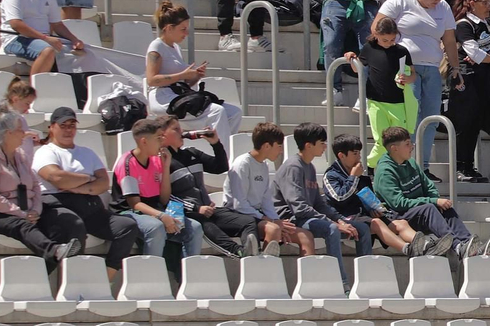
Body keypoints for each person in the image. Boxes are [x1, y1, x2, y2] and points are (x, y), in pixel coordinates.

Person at [33, 106, 138, 280]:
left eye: (72, 125)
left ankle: (106, 278)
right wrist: (88, 178)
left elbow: (103, 183)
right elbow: (56, 177)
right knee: (74, 225)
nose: (68, 130)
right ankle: (74, 281)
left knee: (127, 226)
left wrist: (77, 186)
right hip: (58, 207)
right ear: (51, 127)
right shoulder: (46, 152)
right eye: (63, 125)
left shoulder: (87, 152)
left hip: (90, 207)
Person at [0, 110, 85, 265]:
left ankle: (48, 274)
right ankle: (55, 251)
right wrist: (21, 213)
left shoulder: (20, 156)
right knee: (22, 225)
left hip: (25, 211)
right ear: (7, 133)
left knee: (60, 224)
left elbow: (36, 186)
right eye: (20, 130)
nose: (24, 134)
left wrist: (35, 210)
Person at [320, 134, 451, 257]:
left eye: (359, 153)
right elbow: (340, 197)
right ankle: (408, 248)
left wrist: (373, 209)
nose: (359, 157)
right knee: (376, 223)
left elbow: (365, 198)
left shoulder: (360, 175)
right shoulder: (331, 175)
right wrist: (353, 177)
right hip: (345, 217)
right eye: (355, 154)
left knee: (401, 223)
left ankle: (427, 247)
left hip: (364, 216)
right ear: (341, 156)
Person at [274, 122, 365, 288]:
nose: (325, 147)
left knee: (361, 228)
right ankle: (340, 283)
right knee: (331, 229)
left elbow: (318, 203)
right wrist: (334, 223)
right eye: (322, 143)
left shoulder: (309, 167)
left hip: (307, 217)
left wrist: (340, 220)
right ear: (308, 145)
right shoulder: (293, 167)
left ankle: (366, 282)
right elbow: (299, 208)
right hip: (291, 219)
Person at [154, 116, 258, 258]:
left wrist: (215, 143)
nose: (182, 131)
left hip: (207, 209)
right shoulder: (160, 161)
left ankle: (253, 251)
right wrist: (197, 208)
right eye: (176, 129)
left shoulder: (192, 153)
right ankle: (240, 251)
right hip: (185, 212)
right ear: (162, 134)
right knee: (204, 224)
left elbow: (220, 167)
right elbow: (165, 197)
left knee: (248, 221)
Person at [372, 127, 478, 258]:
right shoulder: (385, 172)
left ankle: (468, 244)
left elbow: (429, 186)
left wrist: (436, 200)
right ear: (394, 148)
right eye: (407, 144)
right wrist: (433, 201)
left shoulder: (411, 163)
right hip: (397, 216)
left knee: (445, 208)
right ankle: (457, 247)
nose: (412, 146)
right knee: (429, 208)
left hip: (417, 212)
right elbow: (398, 203)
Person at [145, 0, 242, 140]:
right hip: (163, 99)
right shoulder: (156, 47)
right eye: (183, 29)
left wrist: (194, 76)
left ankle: (219, 151)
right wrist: (183, 75)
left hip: (177, 95)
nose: (186, 33)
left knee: (234, 113)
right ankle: (223, 157)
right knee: (217, 112)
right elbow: (151, 80)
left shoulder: (175, 48)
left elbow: (181, 82)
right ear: (168, 28)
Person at [112, 118, 204, 260]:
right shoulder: (127, 163)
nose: (162, 141)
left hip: (156, 209)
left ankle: (188, 275)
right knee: (155, 227)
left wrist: (166, 166)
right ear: (144, 141)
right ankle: (152, 276)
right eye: (158, 138)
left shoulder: (157, 160)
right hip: (129, 212)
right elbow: (134, 203)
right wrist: (162, 216)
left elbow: (164, 199)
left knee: (195, 228)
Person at [448, 0, 490, 182]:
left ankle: (468, 166)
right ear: (472, 3)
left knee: (475, 123)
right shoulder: (463, 25)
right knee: (465, 122)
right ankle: (459, 166)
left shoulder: (484, 25)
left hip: (482, 79)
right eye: (485, 2)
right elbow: (473, 52)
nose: (489, 7)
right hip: (466, 78)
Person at [347, 15, 418, 169]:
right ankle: (370, 166)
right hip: (376, 101)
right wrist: (351, 57)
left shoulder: (401, 51)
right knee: (381, 139)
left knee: (399, 139)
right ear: (376, 35)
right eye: (385, 40)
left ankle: (379, 166)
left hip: (398, 103)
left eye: (392, 40)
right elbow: (358, 68)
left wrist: (408, 78)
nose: (389, 44)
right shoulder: (369, 48)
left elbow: (413, 74)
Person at [224, 122, 297, 255]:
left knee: (291, 231)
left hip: (255, 216)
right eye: (279, 146)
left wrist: (277, 221)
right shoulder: (242, 164)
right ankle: (260, 266)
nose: (281, 151)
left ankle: (265, 264)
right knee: (274, 230)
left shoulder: (264, 166)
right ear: (267, 146)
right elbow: (239, 205)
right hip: (237, 216)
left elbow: (266, 201)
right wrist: (271, 221)